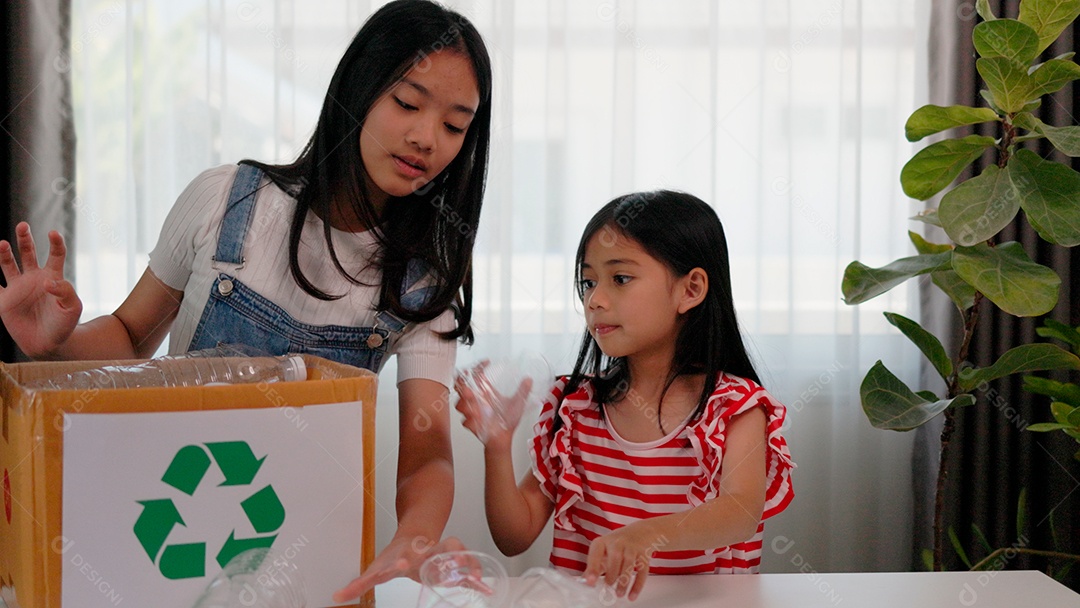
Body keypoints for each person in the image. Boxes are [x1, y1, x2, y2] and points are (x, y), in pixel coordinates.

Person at [0, 0, 491, 601]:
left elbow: (425, 454)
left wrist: (415, 535)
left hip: (310, 565)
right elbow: (130, 337)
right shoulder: (226, 200)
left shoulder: (424, 285)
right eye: (408, 104)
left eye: (455, 125)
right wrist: (57, 344)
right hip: (162, 541)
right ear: (359, 91)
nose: (426, 138)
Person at [456, 191, 795, 601]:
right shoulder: (574, 406)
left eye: (620, 278)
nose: (594, 299)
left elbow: (740, 512)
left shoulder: (736, 407)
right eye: (587, 281)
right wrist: (497, 446)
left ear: (691, 290)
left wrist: (647, 534)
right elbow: (515, 536)